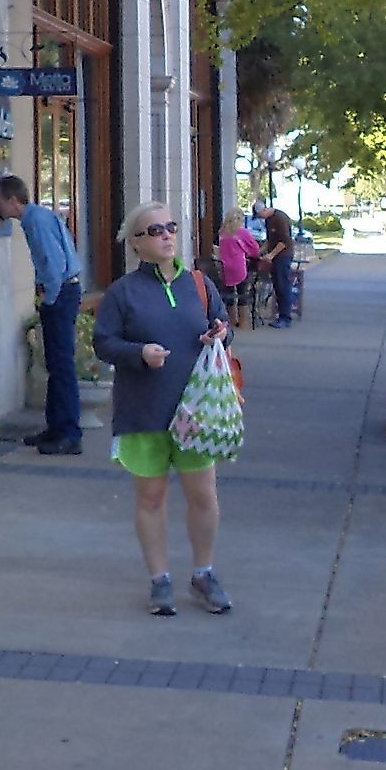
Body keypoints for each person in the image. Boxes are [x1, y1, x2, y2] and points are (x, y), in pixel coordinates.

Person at [93, 200, 235, 616]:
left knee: (204, 496)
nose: (167, 235)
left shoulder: (198, 283)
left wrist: (220, 335)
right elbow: (104, 343)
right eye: (155, 231)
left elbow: (223, 327)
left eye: (170, 227)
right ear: (136, 243)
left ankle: (203, 573)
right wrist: (139, 353)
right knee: (151, 498)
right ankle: (160, 580)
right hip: (143, 410)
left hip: (195, 409)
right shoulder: (123, 292)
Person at [0, 174, 84, 455]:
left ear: (12, 200)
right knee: (56, 364)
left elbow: (55, 265)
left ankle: (68, 433)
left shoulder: (35, 222)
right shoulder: (40, 217)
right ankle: (56, 427)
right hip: (65, 290)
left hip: (61, 293)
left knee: (61, 365)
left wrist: (48, 301)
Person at [255, 197, 296, 328]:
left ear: (265, 209)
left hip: (283, 255)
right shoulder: (268, 220)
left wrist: (271, 255)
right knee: (277, 285)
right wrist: (261, 251)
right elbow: (270, 239)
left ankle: (285, 317)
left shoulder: (280, 219)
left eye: (260, 214)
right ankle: (280, 315)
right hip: (275, 255)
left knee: (283, 284)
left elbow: (284, 241)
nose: (260, 218)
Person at [213, 211, 259, 314]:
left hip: (225, 267)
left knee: (229, 294)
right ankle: (243, 321)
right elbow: (255, 248)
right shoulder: (243, 232)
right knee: (242, 293)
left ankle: (232, 319)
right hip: (239, 266)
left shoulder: (222, 232)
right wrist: (249, 252)